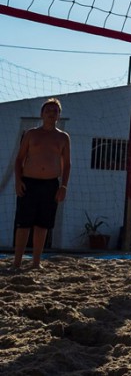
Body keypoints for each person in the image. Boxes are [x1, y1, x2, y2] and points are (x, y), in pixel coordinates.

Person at [13, 98, 71, 269]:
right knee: (23, 224)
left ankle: (36, 263)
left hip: (51, 185)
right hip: (29, 183)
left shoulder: (63, 137)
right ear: (41, 114)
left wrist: (63, 186)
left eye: (55, 111)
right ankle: (16, 263)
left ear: (59, 115)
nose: (51, 113)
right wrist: (18, 181)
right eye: (48, 110)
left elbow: (67, 164)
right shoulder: (31, 134)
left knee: (42, 225)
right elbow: (19, 160)